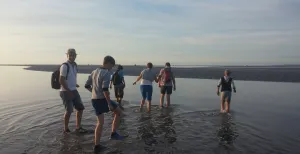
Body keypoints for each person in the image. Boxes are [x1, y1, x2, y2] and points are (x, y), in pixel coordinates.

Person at [84, 56, 126, 153]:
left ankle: (97, 145)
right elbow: (105, 90)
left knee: (100, 123)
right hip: (103, 99)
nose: (112, 68)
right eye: (112, 65)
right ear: (107, 63)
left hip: (94, 99)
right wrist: (109, 104)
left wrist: (94, 92)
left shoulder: (94, 71)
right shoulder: (106, 73)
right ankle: (113, 133)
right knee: (118, 112)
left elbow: (86, 85)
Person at [59, 48, 87, 133]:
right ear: (67, 55)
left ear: (75, 56)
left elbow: (71, 77)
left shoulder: (75, 65)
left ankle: (78, 127)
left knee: (80, 108)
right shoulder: (64, 66)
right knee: (69, 110)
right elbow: (61, 80)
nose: (72, 56)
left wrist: (74, 84)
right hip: (65, 91)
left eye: (73, 55)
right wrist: (68, 90)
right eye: (70, 55)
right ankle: (66, 129)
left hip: (73, 89)